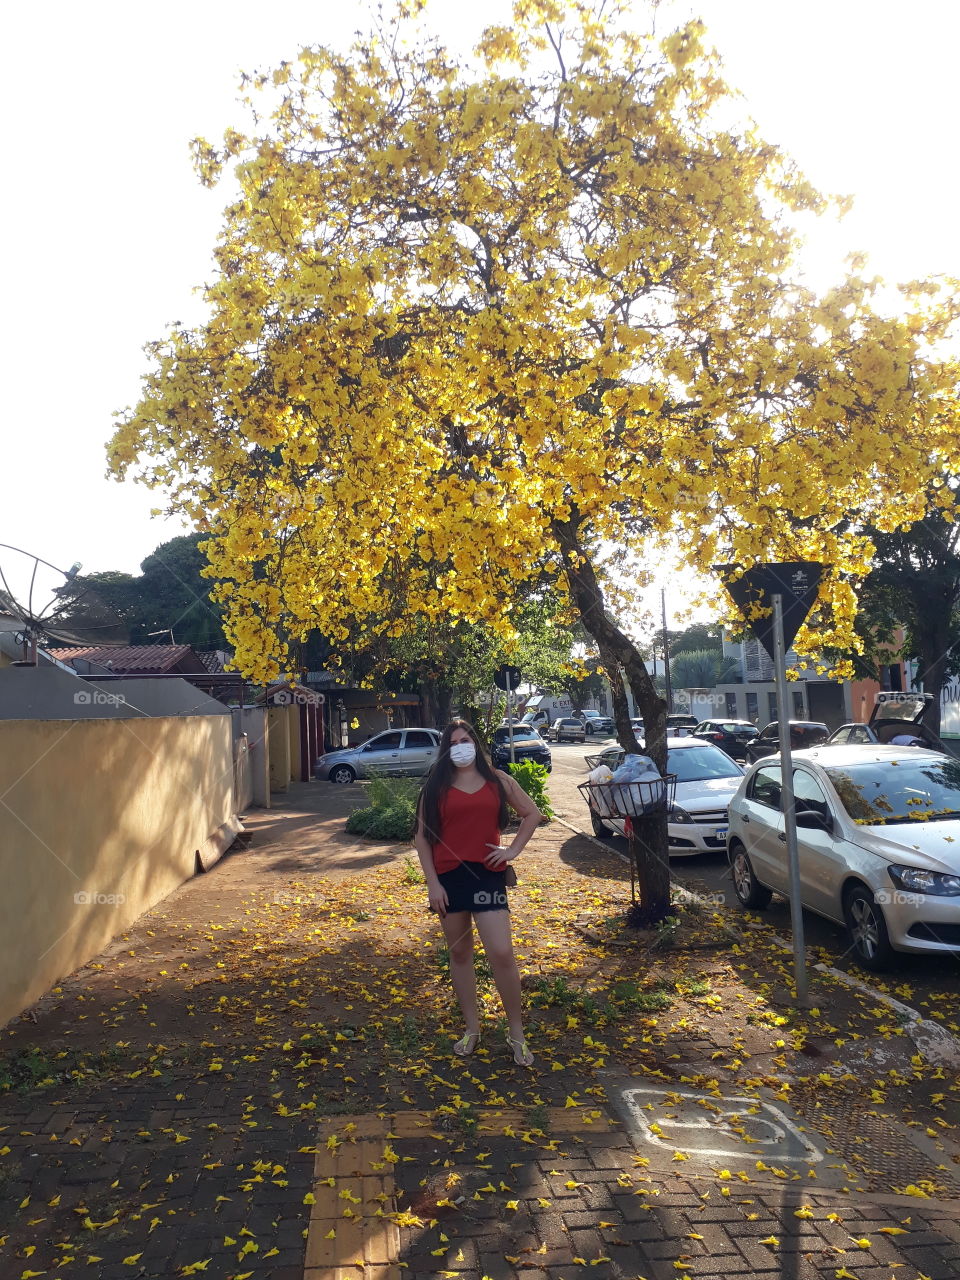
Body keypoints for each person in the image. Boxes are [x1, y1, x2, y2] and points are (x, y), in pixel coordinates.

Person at [414, 719, 542, 1066]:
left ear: (476, 743)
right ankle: (472, 1029)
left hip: (487, 876)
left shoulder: (499, 781)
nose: (460, 746)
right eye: (453, 741)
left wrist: (512, 851)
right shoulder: (435, 787)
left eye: (466, 739)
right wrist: (432, 883)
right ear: (446, 749)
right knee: (460, 956)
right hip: (449, 880)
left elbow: (532, 814)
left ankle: (516, 1032)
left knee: (501, 952)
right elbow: (422, 838)